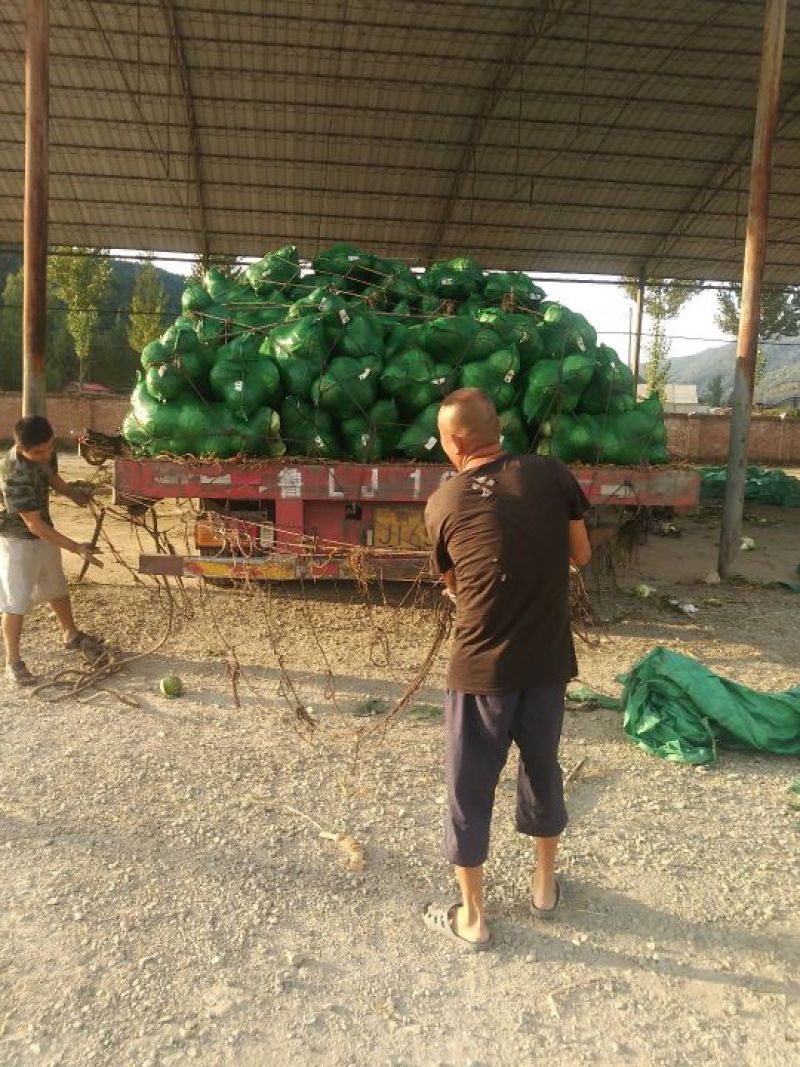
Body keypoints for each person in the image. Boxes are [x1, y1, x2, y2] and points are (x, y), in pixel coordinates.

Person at [422, 388, 591, 950]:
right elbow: (581, 555)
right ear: (498, 427)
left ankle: (473, 917)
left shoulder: (443, 502)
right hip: (546, 663)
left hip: (479, 672)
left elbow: (455, 585)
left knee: (469, 786)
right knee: (542, 768)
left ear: (455, 442)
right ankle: (544, 887)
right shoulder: (552, 474)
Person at [1, 415, 104, 686]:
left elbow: (52, 476)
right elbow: (33, 526)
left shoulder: (45, 451)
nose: (45, 454)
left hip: (44, 530)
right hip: (17, 539)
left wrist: (72, 493)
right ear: (21, 449)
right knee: (16, 601)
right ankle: (12, 662)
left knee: (56, 586)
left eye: (49, 447)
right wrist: (77, 548)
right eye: (38, 452)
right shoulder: (14, 473)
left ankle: (70, 634)